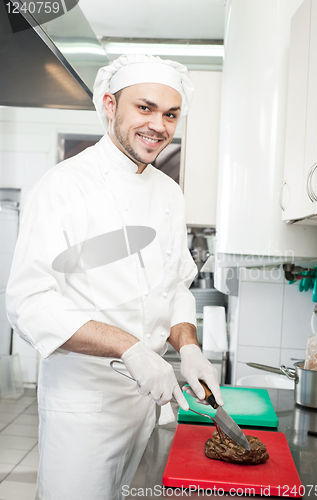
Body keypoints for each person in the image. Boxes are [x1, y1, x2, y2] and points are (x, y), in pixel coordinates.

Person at [6, 54, 223, 500]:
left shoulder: (169, 192)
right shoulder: (64, 185)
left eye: (170, 114)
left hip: (152, 407)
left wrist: (190, 347)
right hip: (85, 412)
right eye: (144, 108)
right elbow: (28, 302)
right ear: (110, 105)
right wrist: (129, 348)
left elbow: (177, 284)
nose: (158, 126)